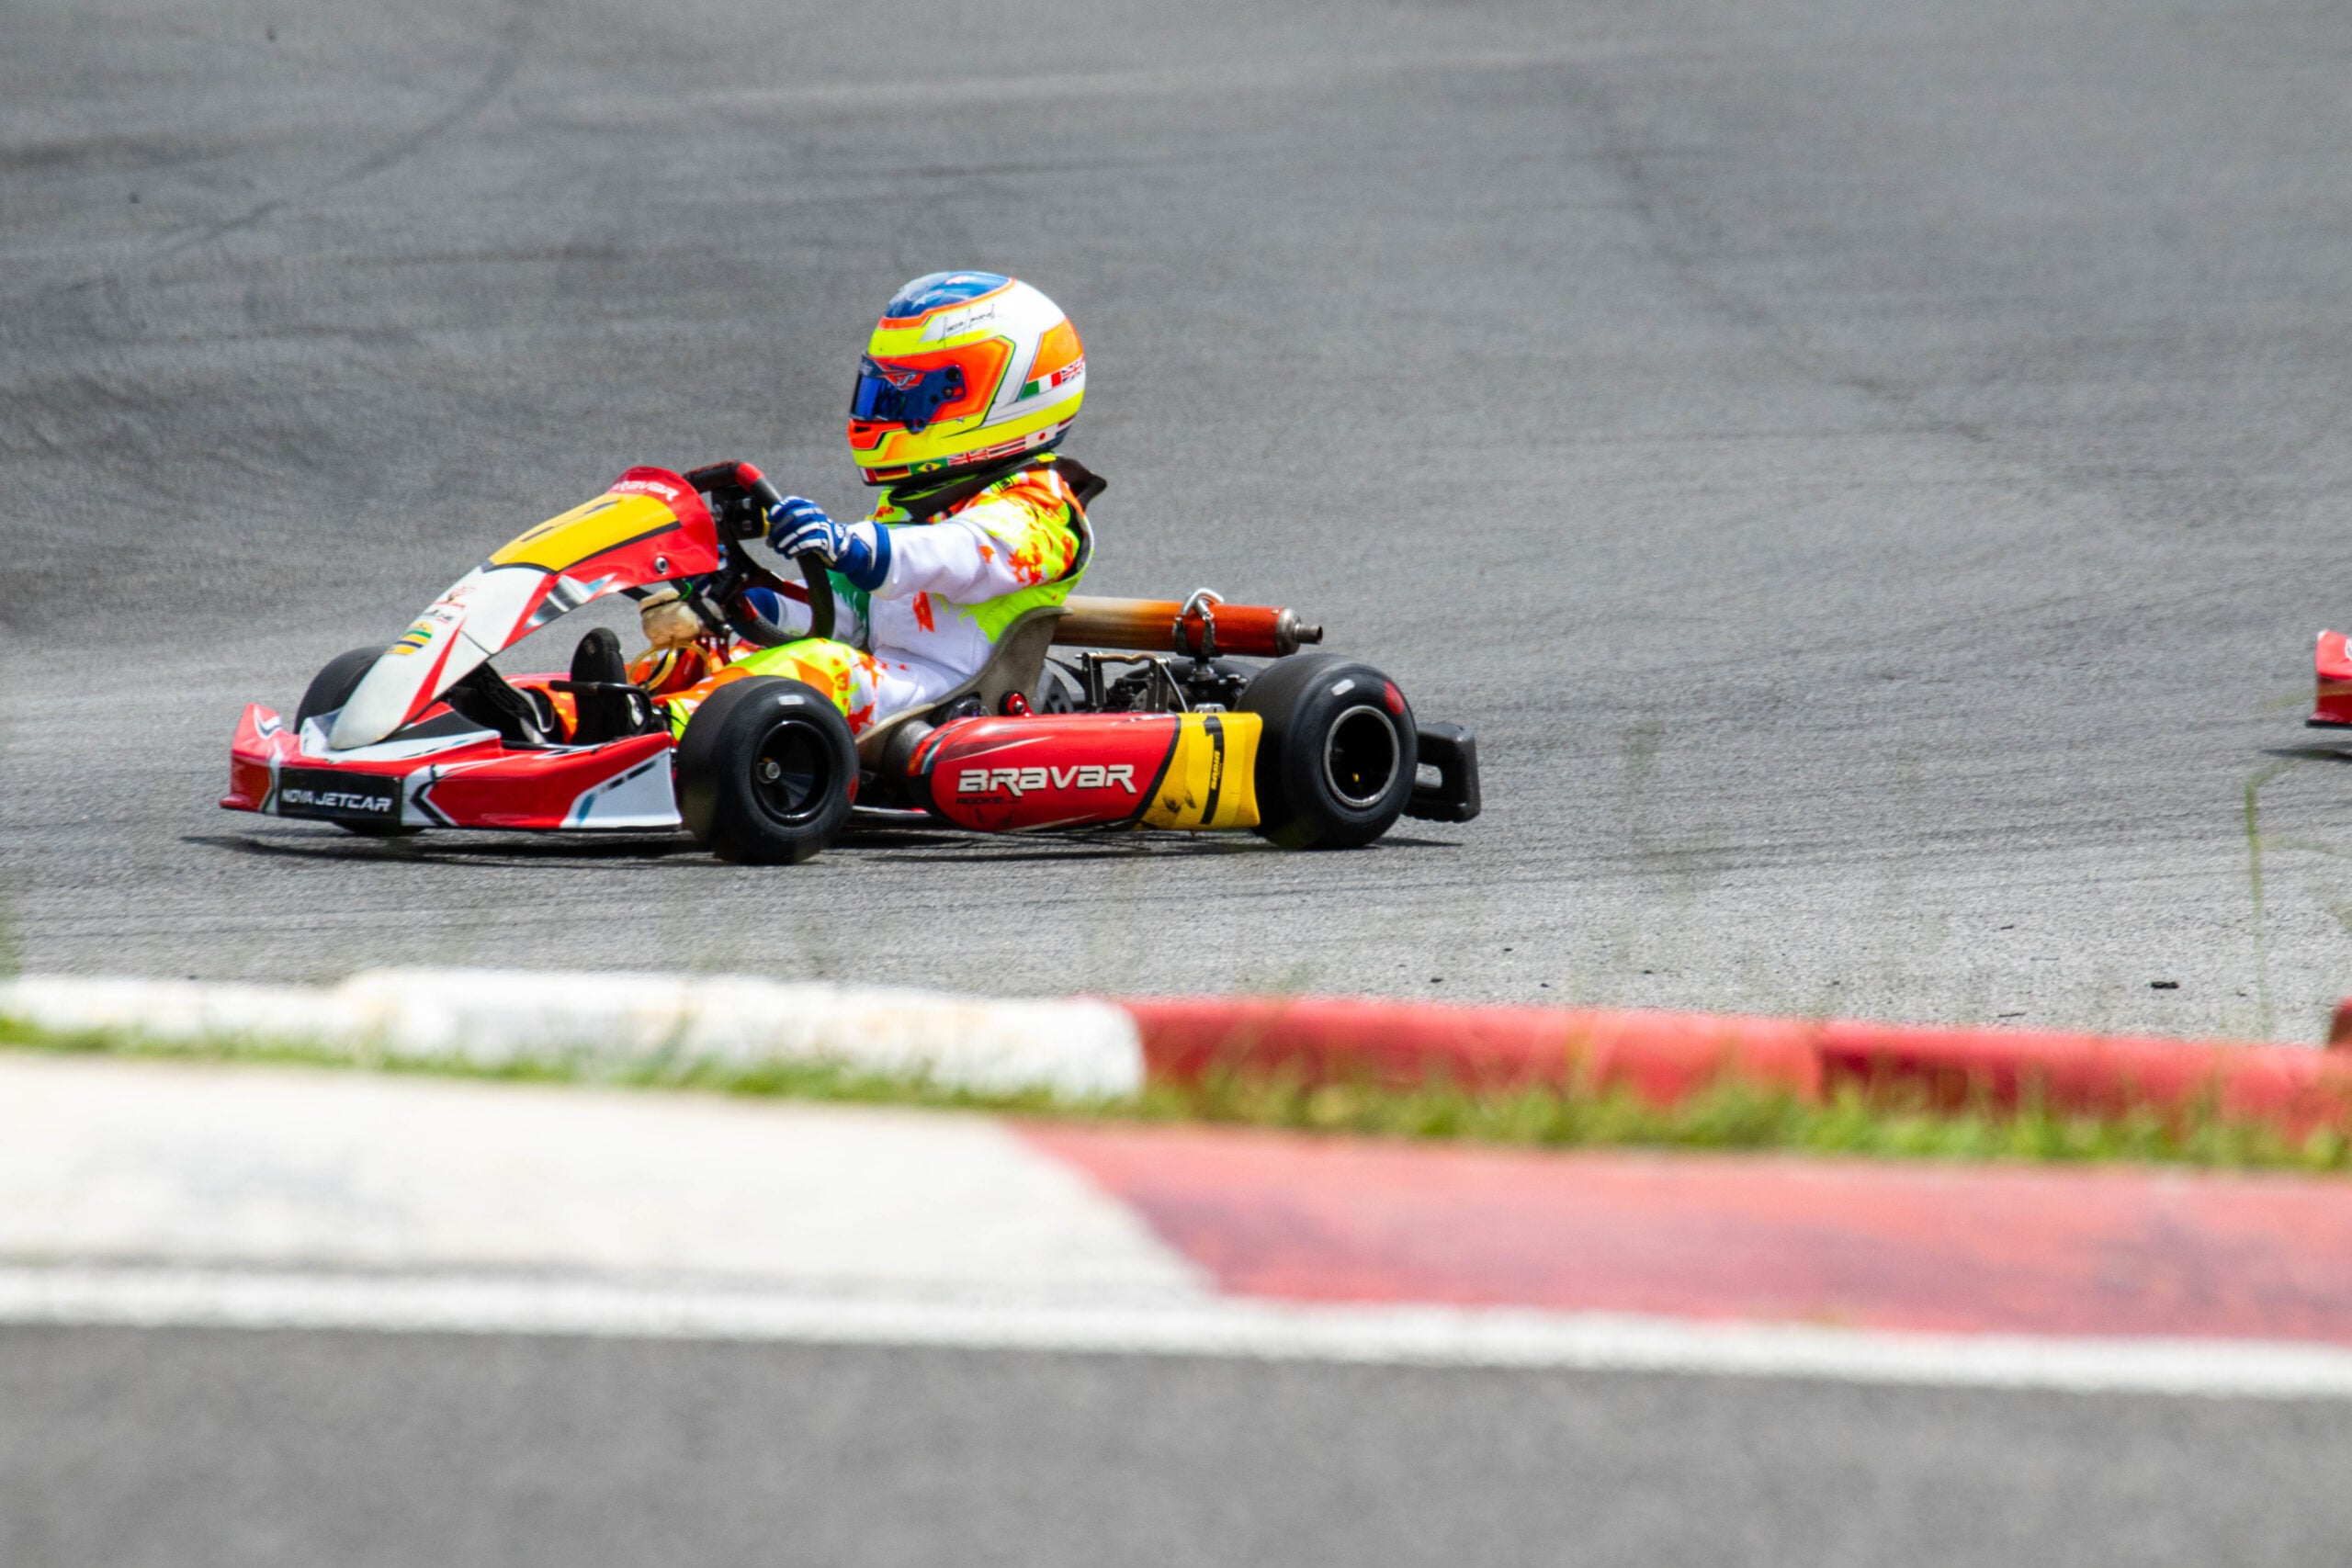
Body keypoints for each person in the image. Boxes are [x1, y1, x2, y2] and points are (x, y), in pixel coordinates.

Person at [634, 271, 1102, 736]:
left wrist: (852, 546)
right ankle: (594, 713)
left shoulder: (1041, 509)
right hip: (887, 676)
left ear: (1000, 395)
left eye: (907, 398)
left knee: (818, 667)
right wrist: (746, 601)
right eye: (882, 393)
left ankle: (661, 734)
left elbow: (958, 555)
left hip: (947, 696)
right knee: (712, 648)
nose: (883, 413)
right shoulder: (916, 503)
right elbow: (850, 610)